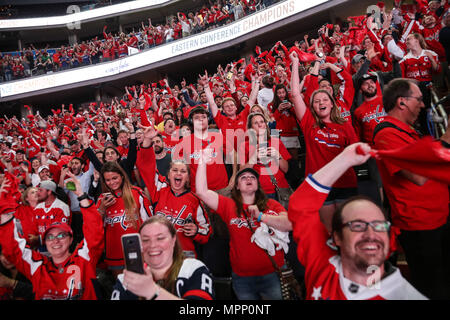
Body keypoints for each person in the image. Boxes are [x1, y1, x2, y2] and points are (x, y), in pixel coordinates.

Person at [288, 142, 427, 300]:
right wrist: (345, 159)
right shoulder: (323, 263)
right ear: (337, 238)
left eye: (379, 226)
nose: (371, 234)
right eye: (358, 225)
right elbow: (301, 204)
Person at [373, 78, 450, 300]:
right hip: (420, 226)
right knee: (433, 288)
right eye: (418, 99)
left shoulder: (409, 132)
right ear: (402, 102)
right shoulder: (386, 133)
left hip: (438, 217)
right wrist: (445, 140)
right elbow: (417, 175)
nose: (423, 104)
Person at [195, 149, 292, 300]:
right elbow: (202, 192)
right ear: (237, 186)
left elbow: (288, 224)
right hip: (242, 279)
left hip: (272, 274)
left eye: (252, 177)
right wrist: (202, 162)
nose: (248, 178)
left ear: (257, 184)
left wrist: (261, 216)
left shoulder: (271, 204)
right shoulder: (229, 205)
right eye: (243, 177)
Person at [0, 173, 105, 300]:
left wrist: (82, 196)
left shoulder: (83, 259)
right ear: (45, 241)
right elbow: (12, 248)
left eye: (61, 235)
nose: (55, 240)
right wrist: (4, 204)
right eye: (50, 236)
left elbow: (95, 234)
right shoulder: (38, 266)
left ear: (71, 239)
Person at [290, 51, 359, 232]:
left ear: (331, 103)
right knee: (329, 233)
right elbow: (296, 94)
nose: (321, 102)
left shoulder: (345, 126)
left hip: (346, 183)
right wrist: (295, 64)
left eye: (325, 99)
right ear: (312, 106)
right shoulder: (308, 123)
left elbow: (355, 153)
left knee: (349, 230)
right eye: (316, 100)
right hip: (320, 185)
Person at [136, 124, 211, 259]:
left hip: (185, 255)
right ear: (169, 175)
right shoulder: (160, 189)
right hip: (159, 254)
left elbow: (206, 232)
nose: (178, 173)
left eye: (183, 171)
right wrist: (147, 141)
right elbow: (146, 166)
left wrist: (196, 231)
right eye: (174, 170)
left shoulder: (194, 200)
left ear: (188, 177)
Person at [111, 215, 214, 300]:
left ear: (173, 240)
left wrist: (152, 292)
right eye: (146, 240)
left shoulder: (192, 269)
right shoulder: (127, 279)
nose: (152, 245)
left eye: (160, 238)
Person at [97, 161, 152, 276]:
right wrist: (102, 208)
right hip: (114, 254)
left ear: (122, 176)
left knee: (140, 289)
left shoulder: (137, 193)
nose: (112, 182)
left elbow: (149, 223)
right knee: (122, 288)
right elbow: (95, 228)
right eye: (108, 180)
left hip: (138, 250)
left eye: (114, 178)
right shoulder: (102, 199)